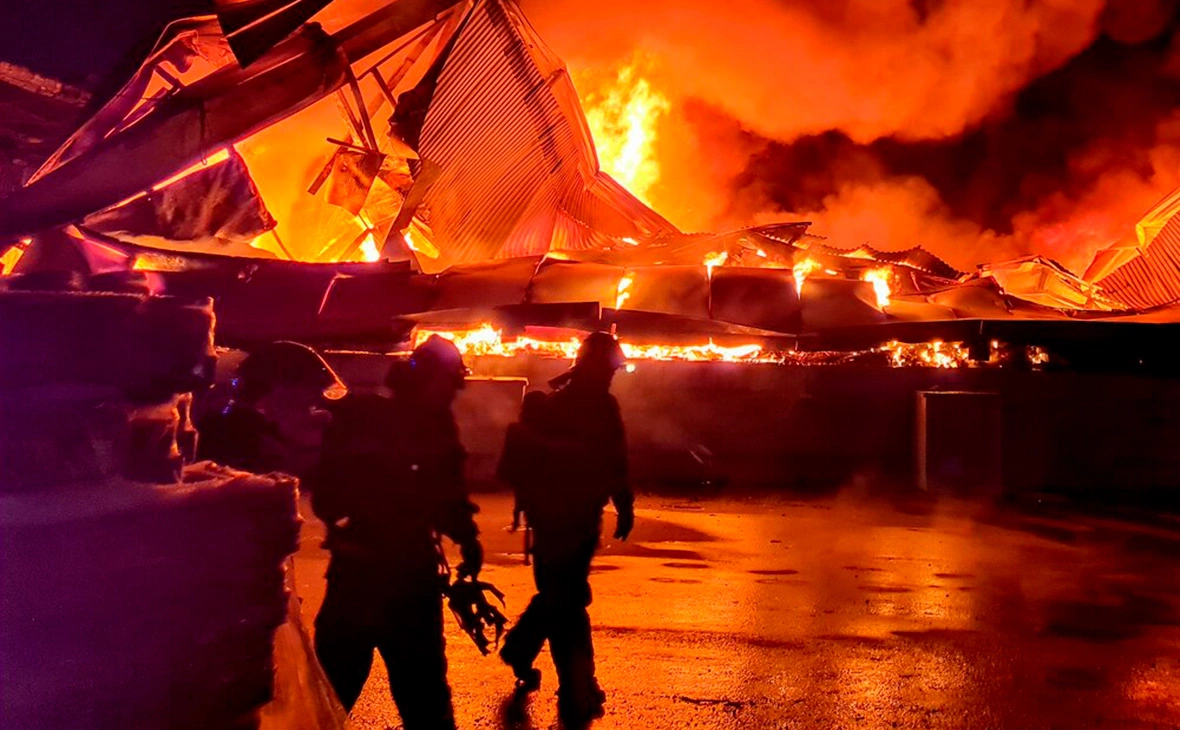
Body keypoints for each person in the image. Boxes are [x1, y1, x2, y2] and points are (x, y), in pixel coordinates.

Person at [308, 336, 483, 729]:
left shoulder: (373, 417)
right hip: (386, 578)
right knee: (352, 692)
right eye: (450, 383)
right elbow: (444, 494)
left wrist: (466, 536)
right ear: (431, 380)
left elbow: (447, 494)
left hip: (374, 575)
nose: (454, 393)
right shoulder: (392, 421)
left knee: (355, 694)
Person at [498, 331, 635, 726]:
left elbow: (612, 460)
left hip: (556, 519)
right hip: (568, 520)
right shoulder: (598, 407)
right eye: (610, 369)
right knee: (568, 599)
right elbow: (615, 460)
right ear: (595, 368)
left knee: (564, 599)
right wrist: (623, 505)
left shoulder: (559, 406)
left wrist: (621, 503)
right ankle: (568, 677)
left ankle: (567, 677)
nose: (612, 377)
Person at [196, 340, 346, 477]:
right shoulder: (241, 438)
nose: (321, 414)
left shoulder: (229, 425)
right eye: (306, 406)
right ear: (278, 390)